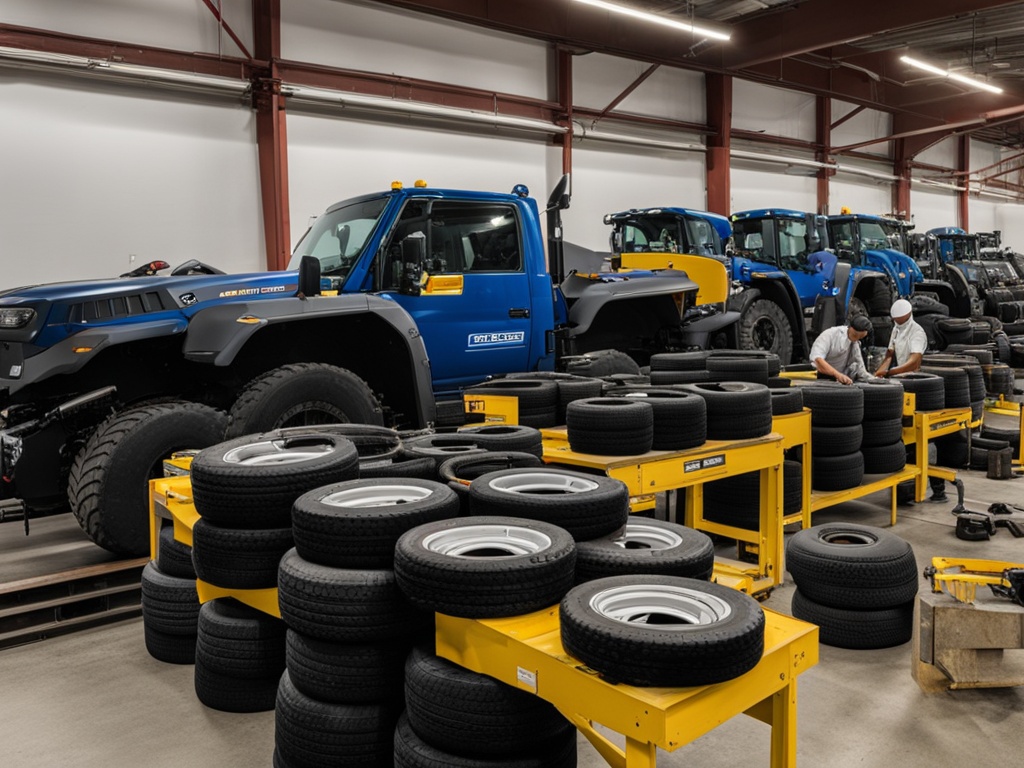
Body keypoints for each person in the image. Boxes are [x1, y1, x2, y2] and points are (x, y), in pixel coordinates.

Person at [808, 315, 873, 385]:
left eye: (860, 337)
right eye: (855, 335)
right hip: (820, 376)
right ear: (850, 327)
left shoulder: (855, 343)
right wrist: (837, 375)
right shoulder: (830, 335)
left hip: (842, 378)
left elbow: (861, 369)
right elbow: (817, 360)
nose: (856, 339)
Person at [874, 298, 926, 378]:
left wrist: (891, 372)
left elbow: (914, 362)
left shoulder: (917, 333)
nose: (897, 323)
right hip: (899, 373)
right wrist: (877, 375)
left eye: (900, 321)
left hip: (914, 377)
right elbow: (889, 355)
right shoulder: (896, 329)